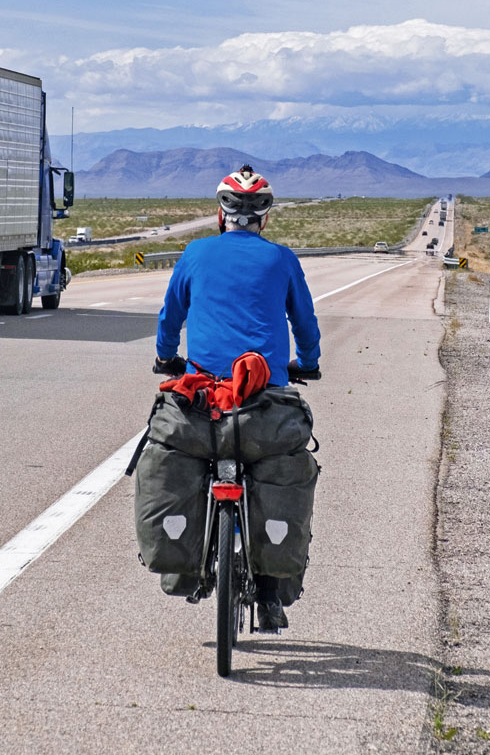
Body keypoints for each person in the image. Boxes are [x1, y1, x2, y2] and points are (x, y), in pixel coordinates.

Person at [153, 164, 320, 630]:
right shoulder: (282, 259)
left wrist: (166, 358)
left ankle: (190, 561)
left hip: (202, 402)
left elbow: (170, 319)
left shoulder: (194, 253)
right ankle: (269, 593)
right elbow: (304, 324)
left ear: (220, 214)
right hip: (263, 403)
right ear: (265, 218)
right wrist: (308, 362)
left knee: (188, 460)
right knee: (273, 474)